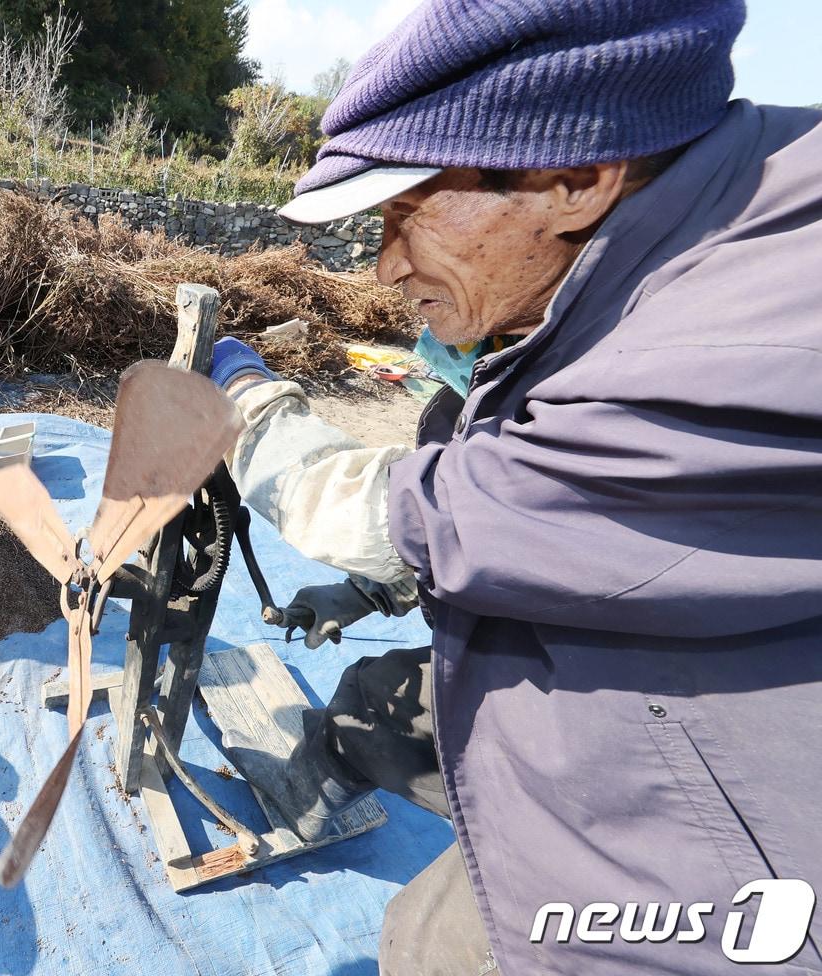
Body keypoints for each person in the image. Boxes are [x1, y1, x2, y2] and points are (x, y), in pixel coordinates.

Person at [210, 1, 822, 974]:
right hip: (687, 688)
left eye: (408, 215)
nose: (384, 267)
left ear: (575, 177)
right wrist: (375, 590)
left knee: (436, 945)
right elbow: (555, 505)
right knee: (377, 696)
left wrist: (238, 399)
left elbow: (421, 508)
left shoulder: (721, 354)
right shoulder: (683, 225)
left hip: (758, 852)